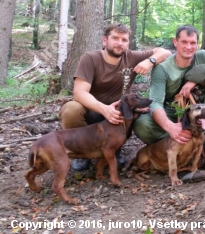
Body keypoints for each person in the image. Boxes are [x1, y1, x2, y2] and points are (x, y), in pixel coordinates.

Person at [59, 23, 172, 171]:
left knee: (136, 111)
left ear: (128, 43)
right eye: (115, 38)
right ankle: (81, 152)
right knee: (71, 109)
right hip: (93, 112)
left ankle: (114, 149)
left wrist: (149, 61)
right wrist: (104, 109)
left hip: (120, 114)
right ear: (105, 41)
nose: (120, 43)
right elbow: (79, 92)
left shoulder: (132, 57)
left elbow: (165, 52)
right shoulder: (90, 58)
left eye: (124, 40)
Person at [133, 25, 205, 170]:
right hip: (173, 111)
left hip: (202, 106)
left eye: (193, 43)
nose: (188, 47)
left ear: (198, 44)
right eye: (184, 42)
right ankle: (177, 146)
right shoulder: (163, 69)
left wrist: (195, 79)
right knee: (143, 125)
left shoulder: (203, 56)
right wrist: (170, 127)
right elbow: (155, 103)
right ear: (175, 42)